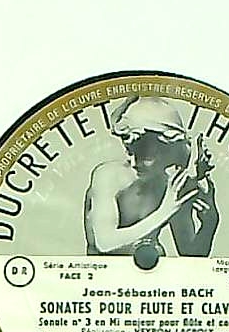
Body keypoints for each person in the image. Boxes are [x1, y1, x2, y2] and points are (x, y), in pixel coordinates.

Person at [84, 96, 220, 266]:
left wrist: (210, 223)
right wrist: (166, 210)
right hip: (105, 275)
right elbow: (104, 243)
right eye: (129, 152)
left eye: (145, 156)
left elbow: (191, 255)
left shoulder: (172, 186)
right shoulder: (108, 176)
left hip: (152, 277)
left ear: (169, 149)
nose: (134, 162)